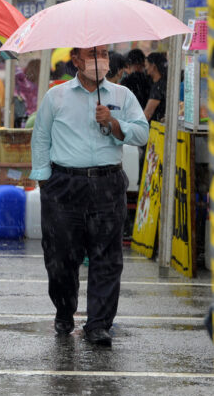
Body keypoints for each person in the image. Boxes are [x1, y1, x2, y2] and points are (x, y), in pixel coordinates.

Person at [31, 45, 149, 347]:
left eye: (105, 55)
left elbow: (142, 133)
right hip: (64, 185)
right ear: (76, 60)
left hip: (107, 183)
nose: (101, 61)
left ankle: (98, 323)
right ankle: (64, 309)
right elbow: (41, 137)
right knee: (59, 258)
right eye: (93, 54)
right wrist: (45, 180)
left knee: (107, 257)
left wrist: (113, 123)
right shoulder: (55, 96)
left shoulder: (122, 96)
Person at [144, 52, 167, 122]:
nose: (145, 68)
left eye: (146, 65)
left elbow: (148, 113)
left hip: (157, 128)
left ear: (153, 66)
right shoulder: (164, 83)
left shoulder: (159, 87)